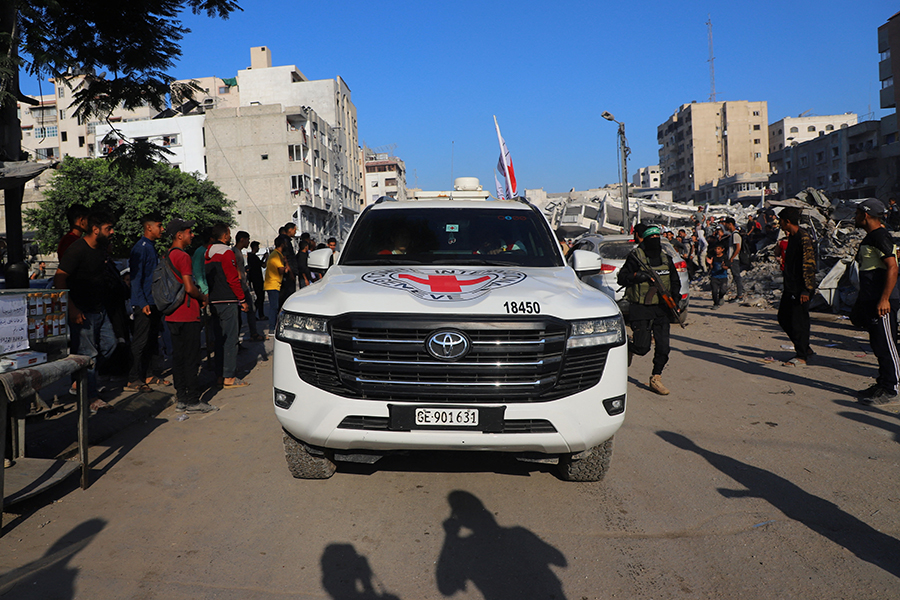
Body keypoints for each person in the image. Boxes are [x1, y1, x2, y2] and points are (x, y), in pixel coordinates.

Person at [53, 211, 118, 412]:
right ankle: (90, 398)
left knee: (110, 345)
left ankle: (80, 380)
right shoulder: (77, 249)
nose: (112, 232)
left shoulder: (101, 249)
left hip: (100, 309)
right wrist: (72, 308)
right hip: (81, 311)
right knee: (88, 355)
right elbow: (59, 279)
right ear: (95, 229)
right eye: (108, 228)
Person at [617, 223, 681, 395]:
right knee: (642, 347)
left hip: (662, 309)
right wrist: (638, 276)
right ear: (645, 239)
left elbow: (675, 282)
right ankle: (631, 347)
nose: (654, 240)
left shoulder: (666, 259)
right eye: (651, 238)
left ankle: (656, 377)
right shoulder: (635, 257)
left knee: (663, 347)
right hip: (641, 308)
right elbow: (622, 278)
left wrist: (674, 302)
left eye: (656, 237)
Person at [163, 219, 217, 413]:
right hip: (187, 314)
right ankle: (194, 400)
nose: (192, 235)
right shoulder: (183, 256)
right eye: (189, 232)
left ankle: (182, 399)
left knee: (178, 358)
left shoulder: (167, 255)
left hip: (171, 315)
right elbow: (189, 287)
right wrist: (202, 296)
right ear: (179, 235)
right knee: (192, 358)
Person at [851, 199, 900, 405]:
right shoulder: (872, 237)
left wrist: (884, 299)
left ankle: (892, 388)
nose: (855, 217)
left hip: (884, 302)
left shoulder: (880, 236)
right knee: (878, 344)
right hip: (873, 300)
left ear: (866, 215)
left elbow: (892, 267)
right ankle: (882, 383)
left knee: (888, 345)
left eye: (857, 213)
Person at [205, 223, 251, 389]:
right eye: (229, 234)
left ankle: (220, 374)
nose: (230, 237)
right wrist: (242, 299)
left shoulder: (207, 253)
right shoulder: (227, 253)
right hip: (228, 300)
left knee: (219, 340)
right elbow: (233, 279)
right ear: (225, 236)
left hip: (214, 300)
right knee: (231, 340)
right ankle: (229, 376)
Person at [126, 213, 166, 392]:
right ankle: (133, 378)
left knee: (151, 340)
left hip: (153, 301)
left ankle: (149, 374)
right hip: (144, 304)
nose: (162, 229)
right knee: (140, 341)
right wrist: (142, 303)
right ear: (149, 227)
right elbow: (136, 279)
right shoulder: (140, 248)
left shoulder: (151, 247)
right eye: (159, 225)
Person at [777, 207, 817, 366]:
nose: (779, 224)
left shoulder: (803, 238)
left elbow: (809, 265)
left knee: (799, 321)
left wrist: (806, 290)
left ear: (787, 221)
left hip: (801, 289)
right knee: (783, 318)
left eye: (780, 220)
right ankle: (804, 347)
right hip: (791, 287)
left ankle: (801, 356)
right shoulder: (792, 238)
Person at [233, 231, 265, 341]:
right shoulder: (235, 253)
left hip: (243, 285)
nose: (248, 242)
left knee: (250, 309)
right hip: (240, 286)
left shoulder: (239, 253)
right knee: (245, 311)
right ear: (242, 239)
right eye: (248, 239)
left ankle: (253, 333)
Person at [265, 234, 291, 331]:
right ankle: (272, 328)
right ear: (282, 244)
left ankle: (274, 326)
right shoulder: (276, 255)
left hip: (275, 284)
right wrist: (286, 268)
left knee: (275, 306)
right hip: (273, 284)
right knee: (274, 307)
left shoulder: (278, 254)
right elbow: (281, 270)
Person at [723, 217, 744, 302]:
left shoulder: (735, 235)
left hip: (734, 259)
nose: (725, 226)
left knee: (737, 277)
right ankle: (738, 295)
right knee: (735, 277)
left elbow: (738, 248)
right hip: (733, 259)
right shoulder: (733, 234)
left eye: (726, 224)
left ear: (730, 224)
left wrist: (731, 258)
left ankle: (740, 296)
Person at [247, 240, 266, 320]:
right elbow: (263, 265)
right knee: (260, 297)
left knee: (260, 297)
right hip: (257, 279)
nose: (258, 248)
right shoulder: (253, 257)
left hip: (255, 279)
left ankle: (257, 314)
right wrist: (267, 258)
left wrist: (264, 257)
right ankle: (257, 314)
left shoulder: (251, 257)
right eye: (257, 247)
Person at [706, 244, 729, 309]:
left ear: (722, 249)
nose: (717, 250)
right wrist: (710, 264)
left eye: (719, 249)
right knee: (714, 291)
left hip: (723, 277)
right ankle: (715, 304)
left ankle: (721, 297)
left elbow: (727, 267)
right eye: (716, 249)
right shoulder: (713, 257)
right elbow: (711, 268)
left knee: (723, 290)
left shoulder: (725, 257)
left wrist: (723, 266)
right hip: (714, 277)